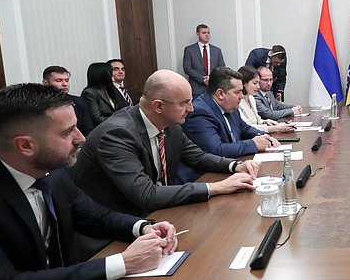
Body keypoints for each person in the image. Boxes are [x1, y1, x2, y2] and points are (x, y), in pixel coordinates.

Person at [0, 83, 177, 280]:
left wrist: (144, 227)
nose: (81, 138)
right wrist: (123, 263)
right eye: (67, 132)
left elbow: (94, 216)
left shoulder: (52, 171)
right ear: (26, 146)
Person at [70, 70, 260, 217]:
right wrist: (218, 187)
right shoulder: (117, 134)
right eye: (184, 103)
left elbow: (198, 156)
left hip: (156, 213)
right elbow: (147, 194)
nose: (191, 109)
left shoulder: (170, 125)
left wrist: (236, 165)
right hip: (116, 224)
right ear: (158, 106)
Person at [180, 67, 278, 183]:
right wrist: (253, 144)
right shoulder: (200, 112)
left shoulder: (230, 105)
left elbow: (244, 128)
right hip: (204, 178)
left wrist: (264, 136)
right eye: (237, 92)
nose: (242, 96)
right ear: (220, 94)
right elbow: (216, 150)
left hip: (231, 167)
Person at [237, 65, 295, 133]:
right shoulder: (238, 102)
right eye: (255, 83)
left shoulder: (251, 98)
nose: (258, 87)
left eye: (258, 83)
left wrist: (266, 121)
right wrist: (276, 128)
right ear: (244, 83)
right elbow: (248, 127)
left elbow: (258, 121)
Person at [41, 65, 93, 136]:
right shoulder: (39, 104)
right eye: (59, 80)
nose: (65, 84)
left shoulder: (78, 102)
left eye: (67, 80)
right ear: (45, 83)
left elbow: (88, 130)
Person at [183, 24, 226, 97]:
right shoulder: (189, 50)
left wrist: (211, 78)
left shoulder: (216, 50)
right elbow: (187, 68)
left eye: (208, 33)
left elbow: (222, 68)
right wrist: (202, 79)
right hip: (197, 88)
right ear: (197, 34)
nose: (207, 35)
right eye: (204, 33)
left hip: (213, 87)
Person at [81, 62, 124, 128]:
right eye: (110, 73)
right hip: (102, 130)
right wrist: (119, 118)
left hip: (116, 127)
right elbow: (97, 119)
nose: (112, 75)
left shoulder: (109, 90)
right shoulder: (90, 93)